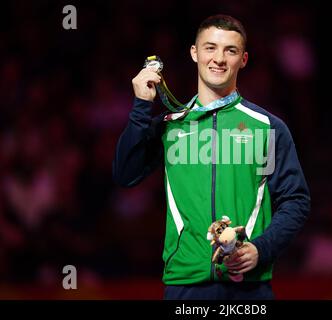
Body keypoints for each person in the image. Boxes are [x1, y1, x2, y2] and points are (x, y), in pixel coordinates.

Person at [113, 14, 310, 300]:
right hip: (185, 287)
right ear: (194, 52)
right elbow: (125, 174)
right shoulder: (171, 126)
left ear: (243, 59)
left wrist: (261, 248)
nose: (219, 58)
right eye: (210, 48)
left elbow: (296, 200)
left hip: (249, 288)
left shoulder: (267, 128)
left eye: (230, 50)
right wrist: (142, 107)